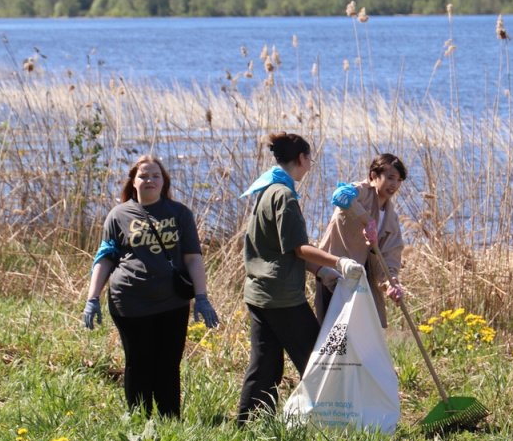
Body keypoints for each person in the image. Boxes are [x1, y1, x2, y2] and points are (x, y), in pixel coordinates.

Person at [236, 132, 365, 424]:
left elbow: (281, 250)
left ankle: (248, 425)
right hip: (282, 297)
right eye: (310, 159)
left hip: (258, 292)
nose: (310, 166)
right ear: (300, 159)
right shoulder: (284, 195)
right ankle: (329, 421)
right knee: (316, 361)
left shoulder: (267, 189)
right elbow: (299, 247)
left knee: (265, 365)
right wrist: (339, 261)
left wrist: (321, 271)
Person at [82, 155, 219, 419]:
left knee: (168, 364)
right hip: (129, 302)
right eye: (143, 176)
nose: (150, 180)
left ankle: (170, 420)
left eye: (155, 176)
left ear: (163, 181)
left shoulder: (179, 213)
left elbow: (192, 258)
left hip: (173, 302)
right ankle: (139, 420)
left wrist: (201, 297)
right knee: (138, 363)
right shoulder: (118, 215)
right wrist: (92, 298)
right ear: (134, 182)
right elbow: (105, 258)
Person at [314, 153, 407, 328]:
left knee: (353, 335)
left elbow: (389, 256)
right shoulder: (361, 191)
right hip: (331, 271)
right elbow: (340, 196)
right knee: (328, 335)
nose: (394, 185)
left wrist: (390, 283)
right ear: (373, 176)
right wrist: (367, 220)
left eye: (399, 180)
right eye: (390, 178)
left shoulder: (391, 218)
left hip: (357, 277)